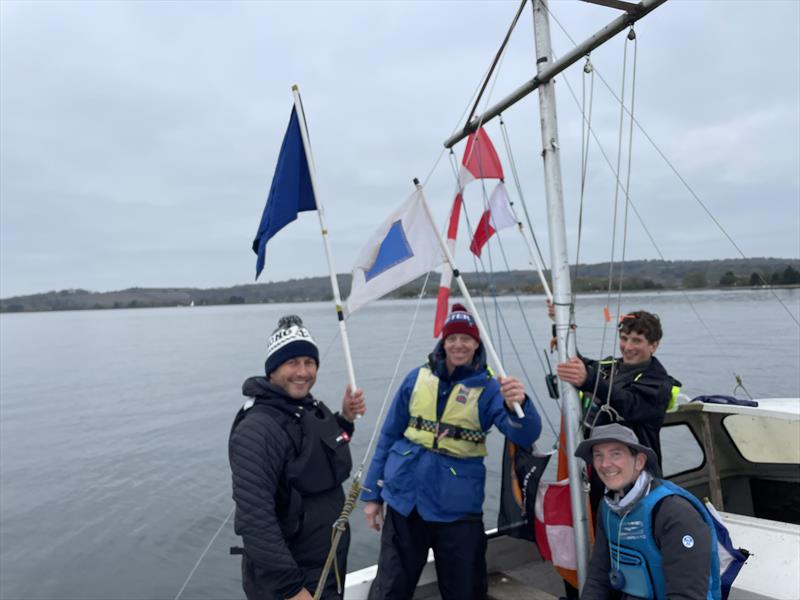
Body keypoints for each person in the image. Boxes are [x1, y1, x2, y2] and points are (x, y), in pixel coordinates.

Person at [361, 303, 542, 600]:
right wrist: (372, 496)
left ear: (476, 344)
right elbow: (388, 436)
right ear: (443, 342)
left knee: (464, 591)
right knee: (390, 588)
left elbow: (525, 433)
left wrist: (518, 404)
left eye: (466, 339)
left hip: (457, 510)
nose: (459, 345)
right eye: (452, 338)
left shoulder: (490, 388)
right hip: (405, 501)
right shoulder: (416, 378)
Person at [228, 315, 366, 600]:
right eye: (292, 363)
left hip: (326, 569)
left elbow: (319, 454)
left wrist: (346, 419)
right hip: (290, 583)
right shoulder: (258, 428)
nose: (302, 372)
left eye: (309, 362)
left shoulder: (307, 408)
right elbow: (255, 521)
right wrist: (291, 590)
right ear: (273, 369)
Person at [575, 423, 720, 600]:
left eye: (616, 454)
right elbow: (598, 575)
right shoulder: (607, 508)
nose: (605, 464)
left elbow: (687, 595)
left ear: (639, 461)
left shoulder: (674, 513)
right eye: (598, 456)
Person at [554, 307, 679, 469]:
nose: (628, 347)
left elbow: (628, 404)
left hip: (637, 472)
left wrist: (590, 381)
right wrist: (559, 324)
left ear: (654, 345)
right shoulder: (609, 367)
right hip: (600, 466)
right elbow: (580, 363)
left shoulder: (658, 383)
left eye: (637, 341)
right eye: (624, 338)